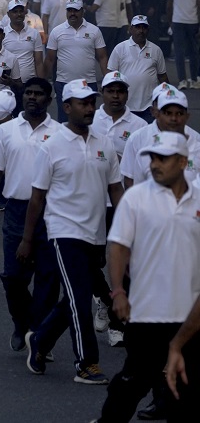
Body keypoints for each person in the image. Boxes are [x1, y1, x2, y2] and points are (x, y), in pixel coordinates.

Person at [92, 131, 200, 423]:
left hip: (190, 314)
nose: (154, 164)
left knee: (186, 389)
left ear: (182, 162)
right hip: (148, 310)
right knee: (133, 381)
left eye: (162, 158)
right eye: (152, 158)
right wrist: (118, 292)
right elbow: (118, 246)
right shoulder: (136, 198)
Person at [20, 79, 123, 384]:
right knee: (79, 298)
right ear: (67, 107)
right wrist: (27, 240)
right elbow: (37, 197)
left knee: (73, 299)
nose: (89, 108)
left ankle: (40, 340)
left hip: (96, 234)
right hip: (63, 232)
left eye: (91, 102)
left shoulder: (105, 143)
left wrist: (131, 227)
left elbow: (116, 190)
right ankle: (86, 363)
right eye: (82, 103)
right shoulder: (51, 146)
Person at [0, 77, 59, 351]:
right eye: (29, 93)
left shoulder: (60, 133)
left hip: (51, 213)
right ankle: (21, 322)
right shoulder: (6, 131)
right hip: (15, 210)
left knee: (48, 277)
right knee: (13, 277)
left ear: (49, 100)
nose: (32, 97)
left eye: (39, 94)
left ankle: (39, 331)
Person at [165, 0, 199, 88]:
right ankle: (195, 79)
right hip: (193, 22)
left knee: (179, 52)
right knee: (193, 51)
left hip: (178, 21)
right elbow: (199, 6)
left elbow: (169, 6)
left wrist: (170, 22)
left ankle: (182, 81)